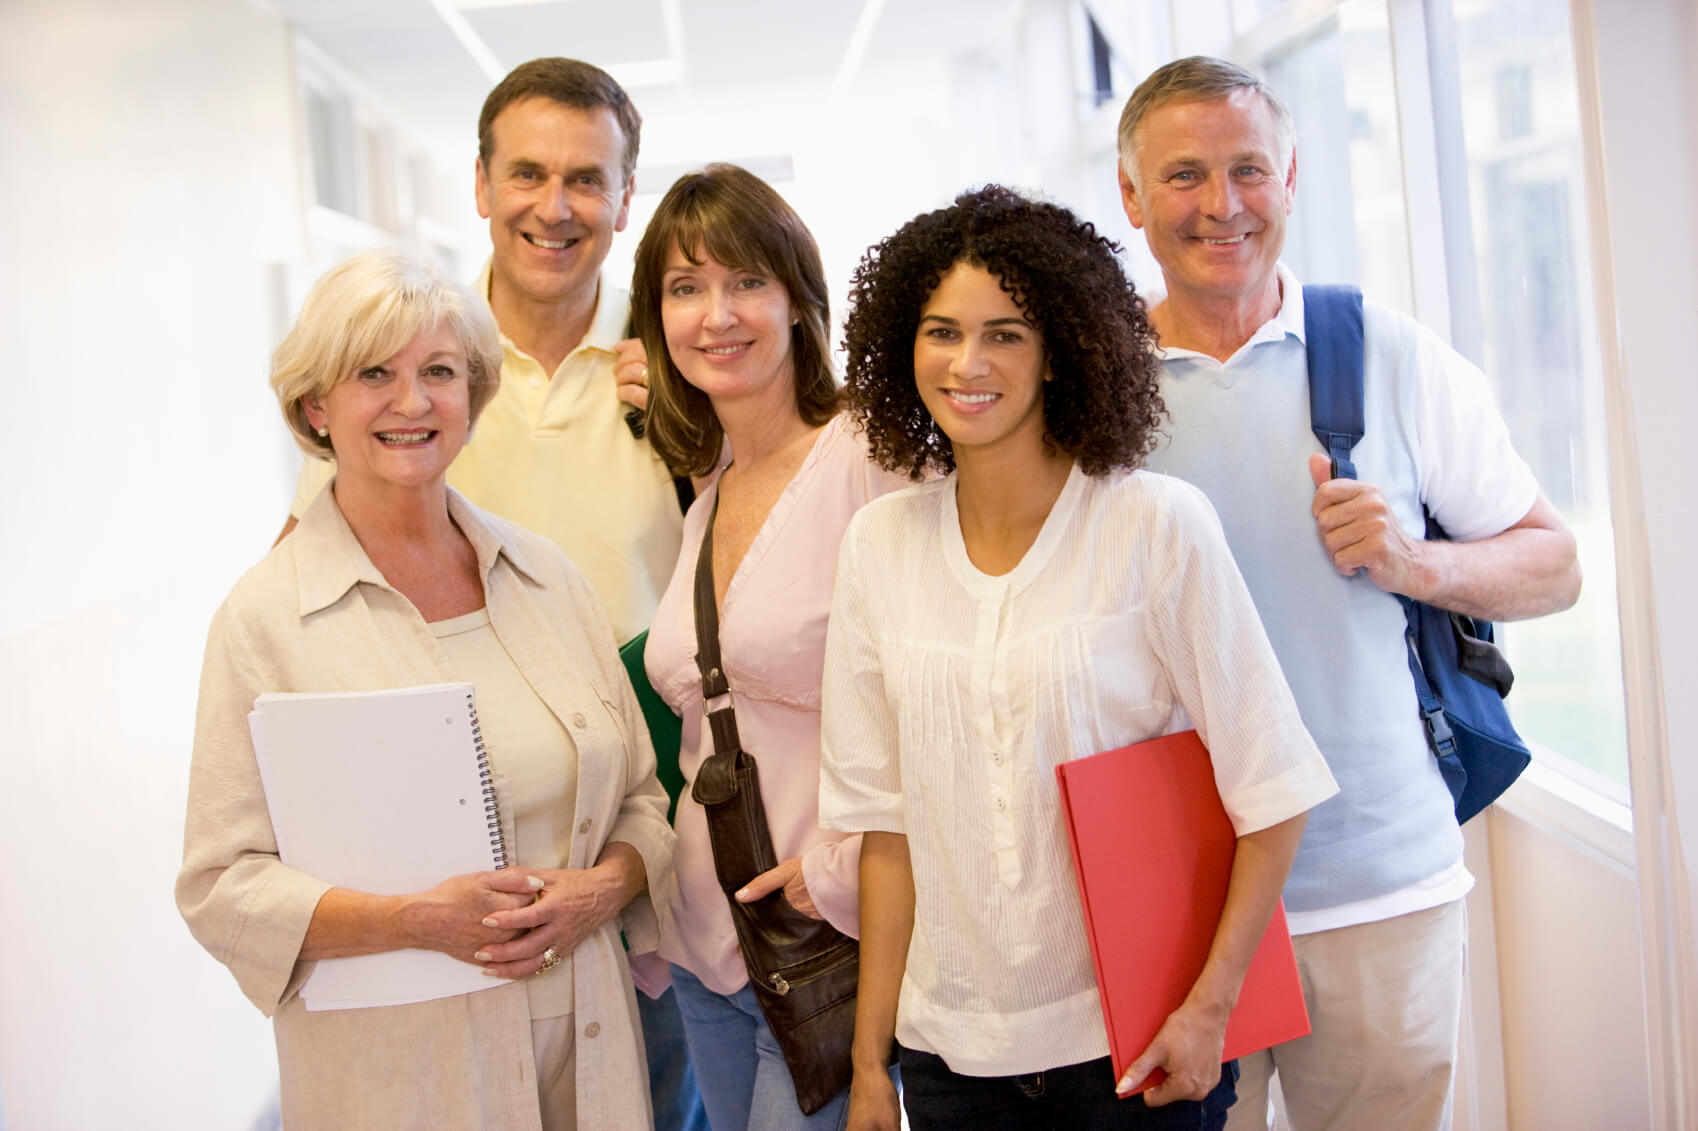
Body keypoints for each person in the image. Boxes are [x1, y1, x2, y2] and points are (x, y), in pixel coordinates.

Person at [1115, 56, 1583, 1130]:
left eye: (1249, 169)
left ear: (1292, 176)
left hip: (1381, 888)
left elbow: (1554, 563)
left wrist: (1418, 565)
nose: (1221, 204)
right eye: (1183, 175)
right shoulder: (1094, 388)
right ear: (1134, 197)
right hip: (1173, 906)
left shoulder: (1385, 354)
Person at [822, 185, 1339, 1131]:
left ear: (1062, 347)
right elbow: (886, 837)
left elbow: (1274, 790)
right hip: (948, 1060)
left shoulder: (1154, 525)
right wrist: (869, 1067)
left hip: (1135, 1047)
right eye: (941, 331)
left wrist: (1210, 1009)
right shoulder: (877, 545)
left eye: (1006, 333)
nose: (967, 363)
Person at [277, 58, 703, 1128]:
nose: (553, 207)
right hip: (442, 837)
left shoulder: (687, 365)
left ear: (624, 196)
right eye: (526, 173)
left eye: (586, 179)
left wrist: (697, 423)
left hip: (634, 827)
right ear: (479, 183)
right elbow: (308, 600)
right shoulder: (413, 369)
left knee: (646, 1099)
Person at [176, 247, 675, 1130]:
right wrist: (413, 919)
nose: (413, 403)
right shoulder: (265, 621)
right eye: (375, 373)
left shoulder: (548, 580)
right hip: (400, 1078)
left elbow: (641, 799)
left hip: (586, 1051)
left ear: (473, 398)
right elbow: (222, 886)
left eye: (440, 372)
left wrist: (601, 889)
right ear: (315, 405)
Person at [633, 163, 911, 1129]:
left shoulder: (872, 457)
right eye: (684, 287)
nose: (717, 314)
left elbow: (946, 699)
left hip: (827, 940)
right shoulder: (706, 493)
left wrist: (836, 865)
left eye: (747, 280)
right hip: (708, 947)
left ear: (799, 300)